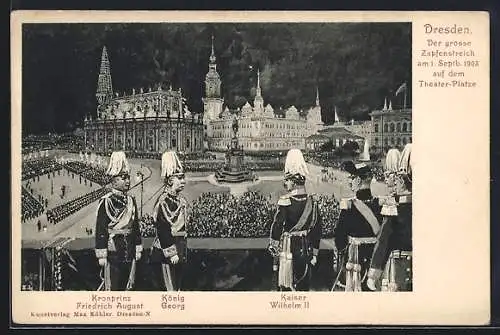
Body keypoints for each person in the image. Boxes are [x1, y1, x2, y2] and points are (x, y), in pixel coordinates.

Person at [268, 148, 322, 291]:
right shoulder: (313, 202)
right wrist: (315, 252)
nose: (286, 183)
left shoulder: (286, 201)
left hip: (289, 247)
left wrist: (273, 245)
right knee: (304, 284)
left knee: (287, 284)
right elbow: (317, 229)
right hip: (307, 247)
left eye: (287, 180)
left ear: (292, 181)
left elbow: (277, 225)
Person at [367, 143, 412, 291]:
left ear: (400, 178)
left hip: (398, 266)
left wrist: (373, 273)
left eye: (390, 176)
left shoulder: (393, 206)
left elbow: (383, 240)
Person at [94, 151, 143, 291]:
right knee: (113, 286)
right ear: (113, 180)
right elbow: (101, 229)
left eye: (128, 177)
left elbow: (136, 226)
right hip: (113, 249)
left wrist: (138, 246)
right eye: (123, 178)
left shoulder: (131, 200)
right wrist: (102, 253)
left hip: (130, 248)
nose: (128, 181)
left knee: (129, 284)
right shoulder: (106, 201)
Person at [333, 161, 383, 292]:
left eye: (352, 178)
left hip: (355, 261)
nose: (349, 182)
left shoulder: (348, 206)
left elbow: (339, 237)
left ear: (359, 180)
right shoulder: (381, 204)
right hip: (375, 263)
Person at [150, 150, 188, 291]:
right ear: (171, 180)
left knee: (177, 287)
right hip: (167, 253)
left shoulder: (180, 200)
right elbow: (162, 228)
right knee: (170, 289)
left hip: (180, 250)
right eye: (180, 178)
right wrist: (171, 252)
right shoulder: (163, 202)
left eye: (183, 177)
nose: (183, 181)